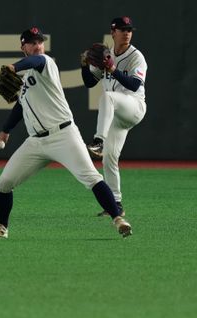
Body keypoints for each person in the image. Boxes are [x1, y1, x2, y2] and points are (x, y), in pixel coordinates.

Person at [0, 27, 132, 239]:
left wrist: (14, 67)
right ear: (23, 47)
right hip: (36, 142)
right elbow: (20, 105)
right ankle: (1, 228)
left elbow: (36, 60)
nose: (37, 46)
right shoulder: (26, 79)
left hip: (64, 135)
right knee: (3, 184)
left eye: (40, 42)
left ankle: (119, 219)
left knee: (91, 178)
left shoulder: (45, 63)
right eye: (32, 42)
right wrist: (5, 131)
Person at [81, 16, 147, 216]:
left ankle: (98, 141)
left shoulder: (136, 56)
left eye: (129, 30)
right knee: (110, 158)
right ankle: (116, 205)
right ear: (113, 33)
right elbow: (89, 82)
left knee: (108, 97)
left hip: (133, 106)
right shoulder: (105, 55)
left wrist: (112, 69)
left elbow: (134, 85)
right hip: (116, 115)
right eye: (122, 29)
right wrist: (84, 65)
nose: (127, 33)